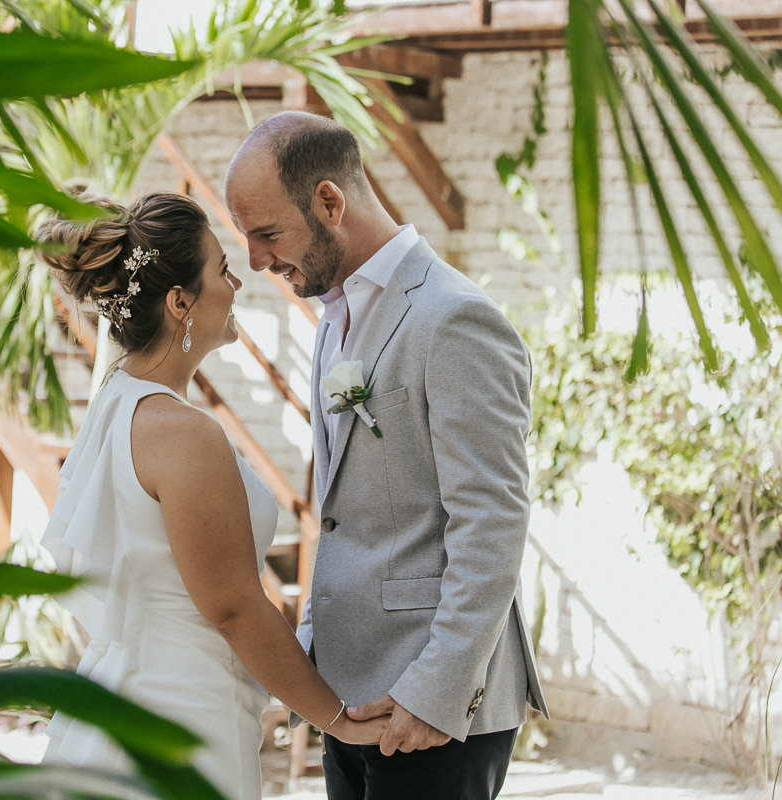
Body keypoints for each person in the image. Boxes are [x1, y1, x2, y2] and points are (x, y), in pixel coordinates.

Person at [224, 111, 549, 800]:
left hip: (431, 708)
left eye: (266, 234)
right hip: (348, 700)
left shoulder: (454, 318)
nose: (255, 261)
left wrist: (435, 693)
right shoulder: (333, 320)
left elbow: (491, 521)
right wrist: (314, 655)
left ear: (329, 203)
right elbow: (343, 514)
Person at [37, 192, 388, 800]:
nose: (239, 283)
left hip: (127, 692)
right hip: (182, 717)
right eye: (222, 271)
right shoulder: (183, 432)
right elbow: (235, 609)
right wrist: (338, 721)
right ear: (180, 302)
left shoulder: (116, 402)